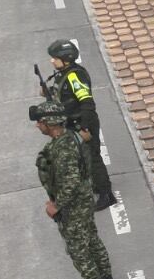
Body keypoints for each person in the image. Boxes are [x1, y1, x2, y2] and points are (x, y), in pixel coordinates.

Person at [32, 100, 117, 279]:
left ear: (49, 124)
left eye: (40, 122)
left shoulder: (63, 149)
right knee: (92, 238)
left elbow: (70, 182)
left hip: (74, 206)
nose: (37, 126)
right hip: (84, 200)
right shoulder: (71, 138)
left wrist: (55, 206)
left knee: (78, 250)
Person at [45, 39, 116, 210]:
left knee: (92, 157)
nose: (51, 61)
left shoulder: (75, 76)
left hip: (82, 123)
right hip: (71, 123)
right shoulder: (63, 73)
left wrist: (84, 128)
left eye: (54, 58)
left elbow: (87, 103)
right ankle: (95, 184)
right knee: (82, 158)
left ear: (66, 59)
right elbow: (64, 97)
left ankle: (106, 194)